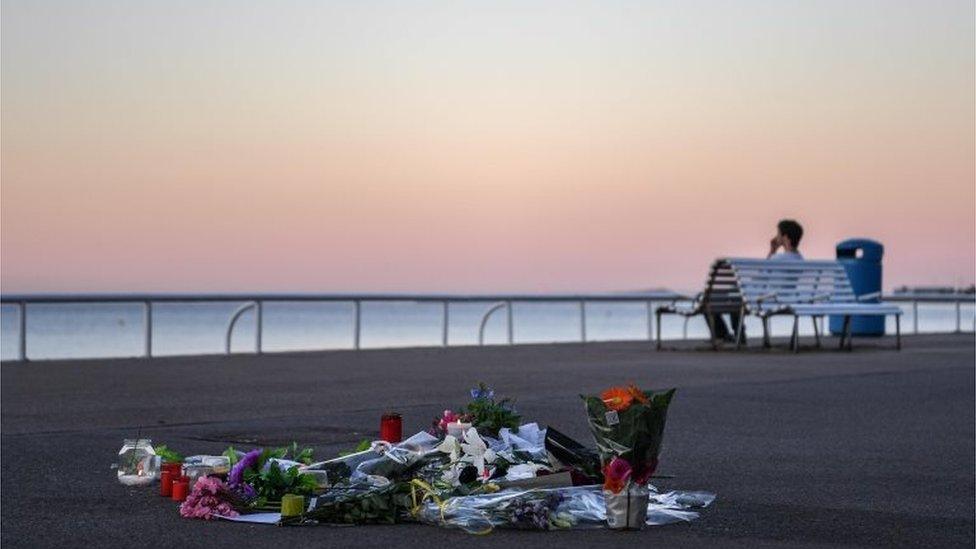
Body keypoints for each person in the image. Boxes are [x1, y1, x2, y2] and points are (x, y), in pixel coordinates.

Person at [710, 219, 805, 343]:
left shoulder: (777, 259)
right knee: (735, 294)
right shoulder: (801, 260)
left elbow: (759, 278)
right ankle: (736, 334)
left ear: (785, 237)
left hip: (768, 300)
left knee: (715, 297)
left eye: (778, 234)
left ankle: (725, 334)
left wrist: (772, 251)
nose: (776, 237)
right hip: (787, 299)